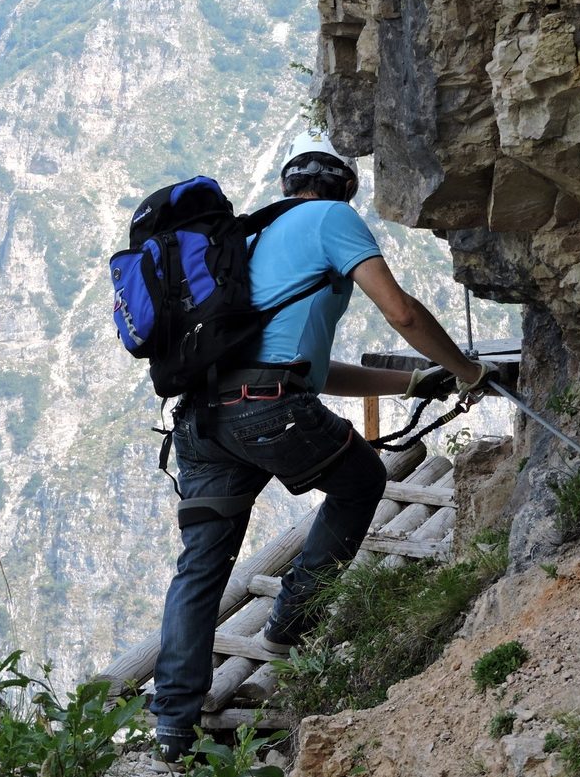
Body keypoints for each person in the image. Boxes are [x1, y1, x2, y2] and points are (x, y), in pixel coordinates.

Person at [149, 129, 493, 767]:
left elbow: (307, 368)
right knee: (361, 480)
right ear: (342, 194)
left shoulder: (244, 240)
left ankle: (172, 723)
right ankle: (292, 621)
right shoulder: (332, 218)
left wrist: (413, 381)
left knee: (200, 566)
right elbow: (404, 314)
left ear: (287, 188)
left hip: (202, 420)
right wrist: (467, 373)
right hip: (267, 411)